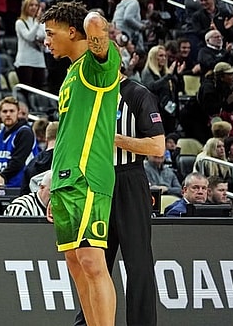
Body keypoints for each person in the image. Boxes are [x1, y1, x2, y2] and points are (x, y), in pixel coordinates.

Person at [41, 2, 120, 326]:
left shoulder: (94, 65)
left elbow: (98, 28)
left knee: (91, 261)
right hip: (65, 179)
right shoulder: (72, 73)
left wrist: (89, 19)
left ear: (72, 31)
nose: (46, 40)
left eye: (50, 33)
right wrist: (52, 182)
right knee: (75, 262)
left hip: (88, 176)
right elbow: (70, 134)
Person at [73, 69, 164, 326]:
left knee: (138, 264)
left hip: (128, 179)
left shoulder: (137, 94)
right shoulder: (87, 95)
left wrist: (114, 139)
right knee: (92, 261)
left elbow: (157, 146)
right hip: (93, 181)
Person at [0, 96, 36, 188]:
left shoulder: (25, 132)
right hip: (3, 184)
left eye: (12, 111)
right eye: (4, 111)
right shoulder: (0, 133)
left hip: (21, 186)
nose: (8, 114)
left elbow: (18, 162)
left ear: (18, 113)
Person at [15, 0, 47, 87]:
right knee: (27, 91)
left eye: (36, 5)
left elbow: (44, 35)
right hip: (25, 62)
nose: (34, 7)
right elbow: (29, 37)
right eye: (31, 5)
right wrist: (37, 23)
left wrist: (38, 23)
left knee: (40, 90)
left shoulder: (40, 22)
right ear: (25, 6)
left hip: (39, 61)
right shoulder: (20, 22)